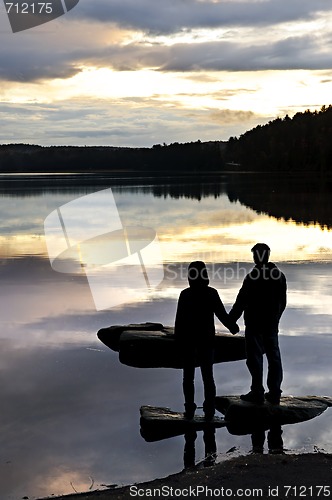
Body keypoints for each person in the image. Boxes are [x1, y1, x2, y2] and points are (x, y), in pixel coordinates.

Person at [175, 261, 239, 420]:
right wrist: (232, 327)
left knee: (188, 377)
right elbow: (222, 315)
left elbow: (179, 321)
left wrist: (178, 341)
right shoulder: (211, 293)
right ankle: (209, 408)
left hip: (188, 341)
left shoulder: (185, 294)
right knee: (208, 377)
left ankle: (189, 408)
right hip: (207, 340)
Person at [229, 243, 287, 405]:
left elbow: (241, 302)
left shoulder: (252, 277)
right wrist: (276, 318)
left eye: (255, 254)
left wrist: (230, 321)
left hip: (255, 324)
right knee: (274, 357)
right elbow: (283, 302)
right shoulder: (279, 275)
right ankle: (274, 392)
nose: (254, 257)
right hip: (271, 324)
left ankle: (257, 391)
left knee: (255, 359)